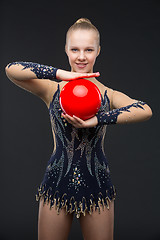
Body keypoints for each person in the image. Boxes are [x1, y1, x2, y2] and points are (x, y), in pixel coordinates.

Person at [5, 18, 152, 240]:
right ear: (66, 50)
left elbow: (145, 110)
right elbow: (11, 69)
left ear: (98, 51)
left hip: (97, 184)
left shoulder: (108, 94)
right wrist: (60, 74)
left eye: (88, 50)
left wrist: (99, 119)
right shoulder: (51, 88)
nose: (81, 56)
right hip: (57, 182)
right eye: (75, 49)